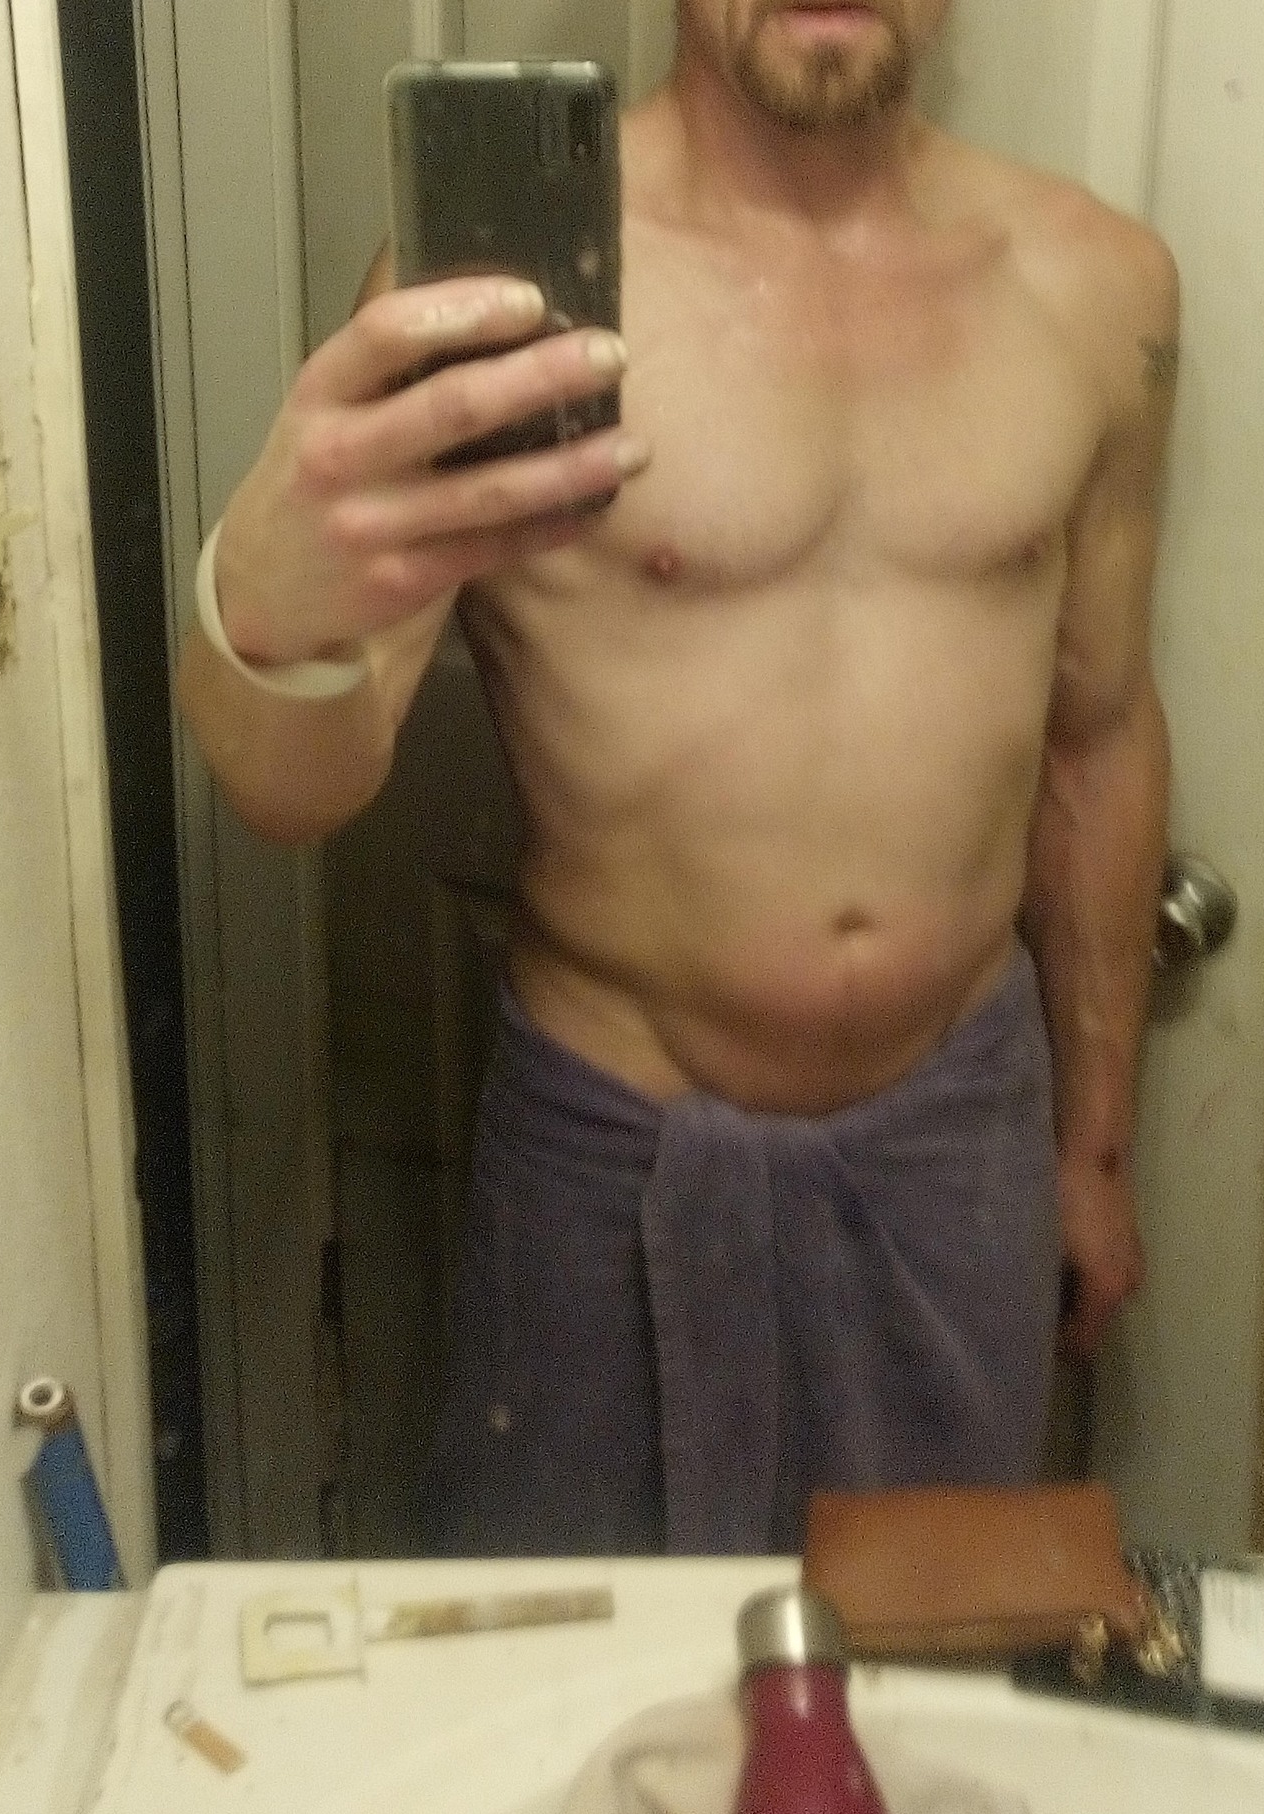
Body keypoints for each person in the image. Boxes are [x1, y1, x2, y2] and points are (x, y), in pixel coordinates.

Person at [177, 0, 1177, 1555]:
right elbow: (296, 789)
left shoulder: (1097, 290)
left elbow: (1098, 734)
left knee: (934, 1659)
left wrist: (1094, 1150)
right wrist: (259, 615)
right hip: (613, 1146)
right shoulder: (500, 299)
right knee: (577, 1675)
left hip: (959, 1144)